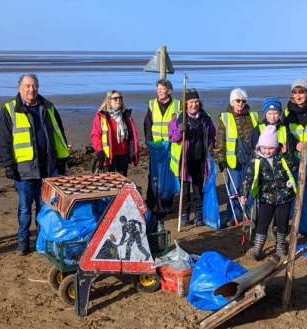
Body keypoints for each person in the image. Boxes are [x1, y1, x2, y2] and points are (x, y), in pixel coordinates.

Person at [0, 74, 70, 256]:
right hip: (24, 171)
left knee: (46, 208)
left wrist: (61, 163)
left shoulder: (48, 108)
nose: (31, 89)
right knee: (24, 209)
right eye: (27, 86)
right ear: (20, 87)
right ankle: (22, 241)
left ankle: (43, 240)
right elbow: (2, 141)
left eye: (34, 86)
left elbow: (59, 137)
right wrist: (8, 166)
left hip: (47, 168)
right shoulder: (9, 109)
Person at [239, 127, 297, 261]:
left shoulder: (282, 157)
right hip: (266, 197)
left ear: (276, 147)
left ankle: (280, 246)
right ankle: (258, 249)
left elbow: (294, 167)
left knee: (282, 222)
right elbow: (247, 179)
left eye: (270, 148)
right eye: (264, 148)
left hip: (284, 196)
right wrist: (244, 194)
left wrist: (287, 154)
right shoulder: (255, 161)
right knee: (263, 222)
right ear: (259, 147)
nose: (267, 151)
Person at [167, 88, 216, 226]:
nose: (194, 104)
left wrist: (211, 144)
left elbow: (211, 132)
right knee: (185, 189)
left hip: (200, 159)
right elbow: (172, 137)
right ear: (185, 103)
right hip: (184, 160)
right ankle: (184, 214)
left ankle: (198, 214)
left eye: (196, 101)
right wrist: (179, 130)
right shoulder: (178, 118)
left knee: (198, 189)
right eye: (191, 102)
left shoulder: (205, 117)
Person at [216, 88, 259, 227]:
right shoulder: (226, 117)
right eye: (238, 101)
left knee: (250, 188)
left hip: (250, 158)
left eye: (243, 101)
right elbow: (220, 140)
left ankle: (250, 214)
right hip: (233, 160)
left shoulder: (253, 115)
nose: (241, 103)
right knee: (234, 190)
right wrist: (221, 159)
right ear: (232, 102)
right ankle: (232, 215)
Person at [143, 79, 182, 212]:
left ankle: (167, 204)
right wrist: (148, 138)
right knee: (153, 173)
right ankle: (151, 203)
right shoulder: (152, 104)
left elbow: (181, 123)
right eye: (158, 88)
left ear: (169, 91)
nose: (159, 91)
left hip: (171, 145)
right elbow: (147, 123)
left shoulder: (178, 105)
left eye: (162, 88)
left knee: (169, 173)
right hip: (156, 146)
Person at [91, 90, 139, 176]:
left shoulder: (126, 116)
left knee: (122, 183)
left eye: (120, 98)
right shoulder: (101, 116)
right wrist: (99, 151)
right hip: (108, 156)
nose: (118, 100)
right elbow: (95, 135)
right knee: (108, 184)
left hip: (123, 155)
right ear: (109, 101)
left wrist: (134, 154)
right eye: (115, 98)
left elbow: (132, 136)